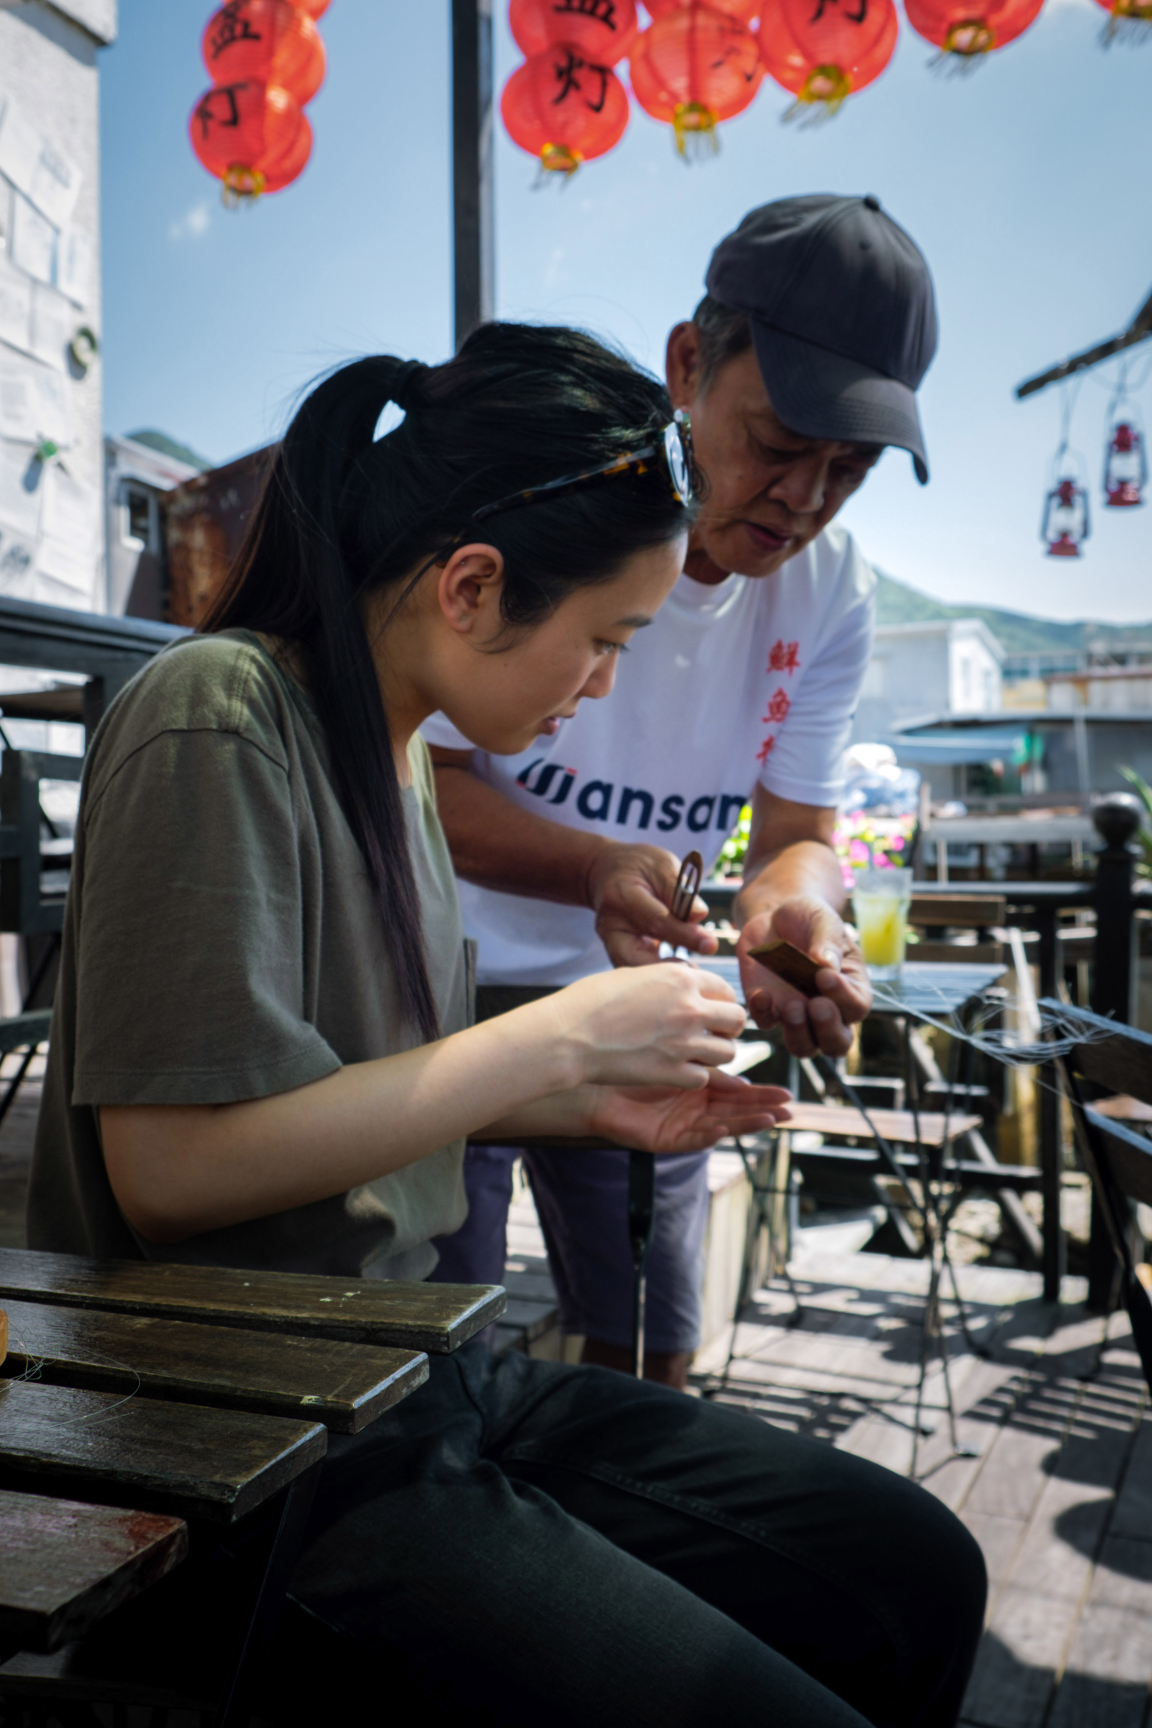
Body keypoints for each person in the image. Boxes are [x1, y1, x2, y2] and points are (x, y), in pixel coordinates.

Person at [27, 325, 983, 1727]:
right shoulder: (217, 715)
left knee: (916, 1570)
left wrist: (587, 1098)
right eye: (602, 641)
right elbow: (169, 1171)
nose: (600, 686)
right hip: (253, 1443)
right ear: (472, 585)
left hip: (415, 1367)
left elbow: (344, 1094)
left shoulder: (396, 752)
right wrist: (547, 1046)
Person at [423, 193, 939, 1387]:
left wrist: (795, 914)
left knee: (654, 1349)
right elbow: (425, 783)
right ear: (689, 366)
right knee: (425, 1339)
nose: (804, 500)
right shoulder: (542, 519)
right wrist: (595, 865)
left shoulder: (834, 589)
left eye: (848, 470)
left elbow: (799, 830)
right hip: (446, 974)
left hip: (650, 997)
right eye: (777, 443)